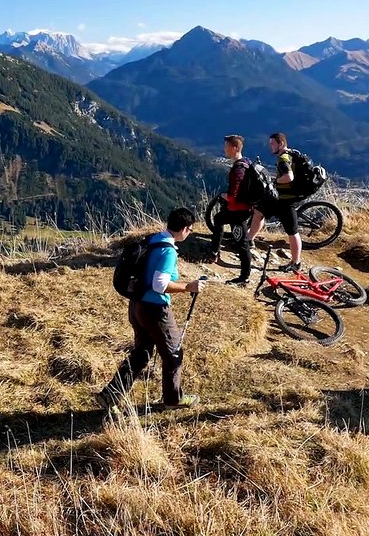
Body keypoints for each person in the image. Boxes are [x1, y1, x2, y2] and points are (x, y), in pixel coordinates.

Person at [97, 207, 203, 413]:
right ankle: (174, 399)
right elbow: (160, 284)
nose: (189, 233)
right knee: (173, 353)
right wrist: (188, 287)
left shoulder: (153, 240)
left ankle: (110, 394)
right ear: (183, 229)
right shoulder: (168, 251)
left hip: (136, 305)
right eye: (190, 229)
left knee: (142, 353)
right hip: (155, 309)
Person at [247, 132, 302, 271]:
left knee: (292, 231)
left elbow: (289, 177)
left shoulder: (283, 158)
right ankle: (248, 240)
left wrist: (275, 181)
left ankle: (296, 263)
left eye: (272, 143)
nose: (270, 146)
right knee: (259, 212)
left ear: (281, 144)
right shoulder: (291, 153)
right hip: (279, 197)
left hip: (286, 200)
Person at [209, 134, 256, 286]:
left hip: (238, 212)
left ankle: (244, 277)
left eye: (227, 146)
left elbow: (233, 195)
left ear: (235, 148)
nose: (224, 149)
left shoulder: (238, 169)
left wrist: (223, 195)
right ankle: (214, 252)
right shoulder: (246, 162)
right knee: (218, 219)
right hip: (235, 209)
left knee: (242, 244)